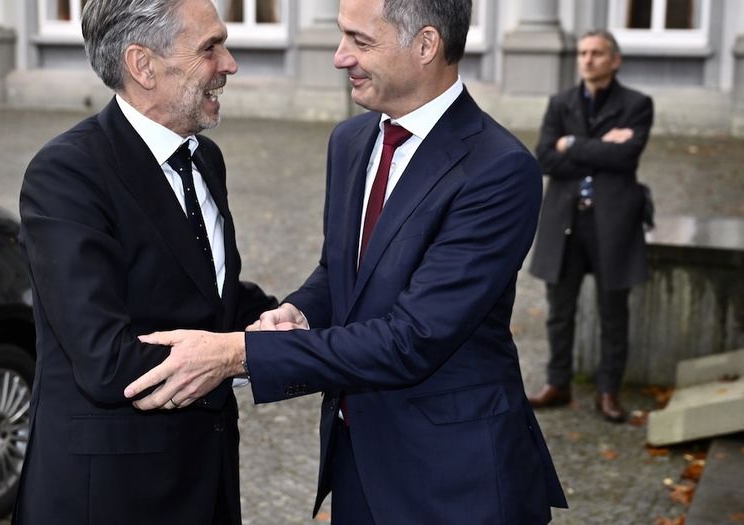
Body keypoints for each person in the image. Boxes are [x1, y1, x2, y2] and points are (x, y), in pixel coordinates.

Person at [124, 0, 568, 522]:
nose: (340, 57)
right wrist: (301, 312)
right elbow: (341, 272)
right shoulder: (351, 140)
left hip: (457, 478)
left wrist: (237, 353)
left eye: (360, 41)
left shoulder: (497, 169)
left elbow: (413, 339)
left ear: (426, 45)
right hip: (358, 464)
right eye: (342, 36)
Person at [14, 0, 276, 522]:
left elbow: (202, 294)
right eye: (210, 48)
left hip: (205, 478)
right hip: (112, 496)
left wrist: (278, 318)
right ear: (142, 65)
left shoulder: (204, 158)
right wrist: (243, 355)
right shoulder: (68, 174)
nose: (229, 64)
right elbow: (106, 360)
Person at [526, 30, 654, 424]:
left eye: (597, 53)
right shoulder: (560, 102)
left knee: (613, 312)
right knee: (559, 311)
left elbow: (626, 158)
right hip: (565, 219)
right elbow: (545, 158)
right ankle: (557, 382)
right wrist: (602, 147)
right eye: (583, 52)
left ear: (614, 60)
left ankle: (608, 390)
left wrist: (572, 144)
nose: (587, 59)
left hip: (613, 222)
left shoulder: (637, 104)